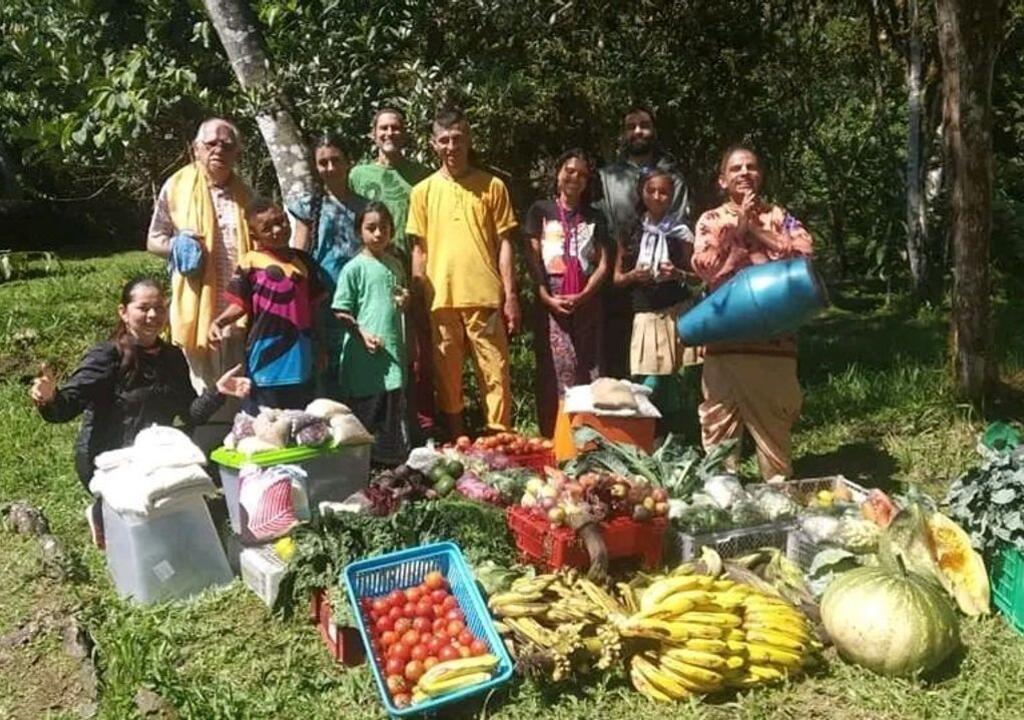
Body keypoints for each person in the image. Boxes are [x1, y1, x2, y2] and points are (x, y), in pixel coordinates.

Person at [29, 277, 251, 545]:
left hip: (152, 454)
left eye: (159, 307)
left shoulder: (172, 357)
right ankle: (102, 510)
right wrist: (50, 398)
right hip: (107, 458)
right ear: (123, 312)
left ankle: (118, 511)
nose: (153, 315)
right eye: (143, 308)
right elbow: (65, 408)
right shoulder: (106, 356)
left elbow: (191, 414)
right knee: (148, 528)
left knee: (210, 459)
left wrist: (218, 391)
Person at [692, 145, 814, 480]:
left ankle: (776, 497)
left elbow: (805, 257)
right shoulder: (711, 220)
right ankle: (721, 497)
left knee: (775, 427)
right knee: (718, 428)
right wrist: (736, 236)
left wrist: (753, 229)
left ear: (760, 175)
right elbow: (705, 269)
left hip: (773, 343)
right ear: (722, 180)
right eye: (736, 168)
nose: (744, 172)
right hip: (725, 342)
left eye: (751, 167)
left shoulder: (779, 217)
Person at [406, 107, 520, 438]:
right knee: (447, 374)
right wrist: (417, 295)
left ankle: (500, 439)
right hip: (441, 297)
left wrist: (511, 295)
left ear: (468, 140)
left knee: (495, 371)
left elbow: (505, 244)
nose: (451, 147)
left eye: (457, 139)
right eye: (444, 140)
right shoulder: (422, 191)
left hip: (485, 295)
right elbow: (419, 249)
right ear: (433, 144)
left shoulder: (492, 186)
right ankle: (458, 439)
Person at [146, 118, 252, 446]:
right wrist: (177, 246)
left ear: (237, 152)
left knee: (237, 384)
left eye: (227, 145)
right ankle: (202, 453)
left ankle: (234, 451)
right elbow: (153, 239)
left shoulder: (246, 195)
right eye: (211, 144)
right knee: (201, 385)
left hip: (236, 310)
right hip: (196, 308)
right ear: (196, 149)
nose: (219, 149)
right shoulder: (176, 186)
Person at [348, 108, 435, 438]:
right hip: (371, 272)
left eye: (396, 128)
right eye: (383, 128)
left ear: (405, 132)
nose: (389, 134)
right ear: (373, 133)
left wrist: (419, 278)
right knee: (376, 343)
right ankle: (375, 428)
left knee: (418, 351)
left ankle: (420, 425)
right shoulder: (358, 175)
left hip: (412, 270)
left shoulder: (422, 176)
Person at [597, 104, 691, 379]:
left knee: (667, 367)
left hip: (664, 288)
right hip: (619, 281)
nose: (638, 131)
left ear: (654, 130)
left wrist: (670, 270)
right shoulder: (607, 177)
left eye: (644, 125)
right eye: (631, 127)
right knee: (624, 361)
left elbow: (680, 227)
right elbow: (602, 225)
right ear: (623, 134)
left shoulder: (672, 177)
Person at [523, 149, 610, 438]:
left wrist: (585, 295)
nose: (575, 178)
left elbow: (603, 263)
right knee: (558, 366)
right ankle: (558, 437)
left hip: (586, 296)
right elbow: (532, 257)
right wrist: (545, 295)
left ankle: (588, 434)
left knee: (589, 365)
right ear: (558, 173)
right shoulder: (541, 211)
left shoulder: (595, 216)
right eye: (569, 171)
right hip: (552, 295)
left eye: (582, 174)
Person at [209, 198, 324, 413]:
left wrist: (320, 345)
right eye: (267, 228)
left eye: (281, 222)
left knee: (301, 418)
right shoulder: (250, 262)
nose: (278, 230)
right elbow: (240, 304)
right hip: (265, 357)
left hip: (301, 355)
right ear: (255, 236)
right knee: (264, 420)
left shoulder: (305, 262)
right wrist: (219, 322)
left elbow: (314, 309)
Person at [613, 168, 695, 429]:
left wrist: (678, 273)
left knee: (673, 378)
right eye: (651, 191)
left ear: (672, 196)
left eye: (664, 192)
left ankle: (671, 434)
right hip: (646, 312)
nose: (657, 197)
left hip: (676, 310)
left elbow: (697, 277)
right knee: (650, 378)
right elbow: (616, 278)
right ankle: (638, 430)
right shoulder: (629, 231)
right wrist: (634, 275)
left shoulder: (681, 232)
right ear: (642, 193)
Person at [288, 135, 368, 398]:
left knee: (358, 361)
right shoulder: (308, 206)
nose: (330, 168)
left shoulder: (364, 207)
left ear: (348, 162)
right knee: (324, 367)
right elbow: (299, 255)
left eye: (336, 160)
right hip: (322, 298)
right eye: (323, 162)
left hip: (358, 297)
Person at [333, 202, 411, 464]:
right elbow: (340, 310)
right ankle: (361, 466)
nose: (378, 234)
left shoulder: (395, 265)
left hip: (391, 353)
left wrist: (404, 299)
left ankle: (389, 465)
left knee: (391, 411)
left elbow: (398, 298)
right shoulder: (354, 268)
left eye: (384, 228)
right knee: (366, 414)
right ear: (359, 232)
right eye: (371, 228)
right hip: (365, 359)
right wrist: (362, 334)